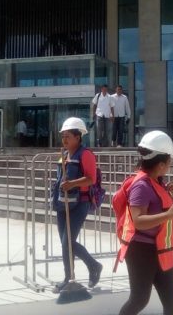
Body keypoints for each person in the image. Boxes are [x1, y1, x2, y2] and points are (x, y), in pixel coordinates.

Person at [118, 130, 173, 315]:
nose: (170, 165)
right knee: (139, 300)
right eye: (170, 161)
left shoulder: (156, 181)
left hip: (161, 250)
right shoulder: (141, 186)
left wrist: (164, 191)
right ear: (161, 164)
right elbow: (138, 221)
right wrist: (168, 214)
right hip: (141, 252)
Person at [51, 117, 104, 293]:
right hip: (62, 202)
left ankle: (74, 275)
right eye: (63, 136)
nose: (65, 140)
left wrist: (72, 184)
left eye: (68, 136)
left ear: (78, 137)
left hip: (79, 203)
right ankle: (85, 269)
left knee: (68, 242)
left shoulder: (86, 154)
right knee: (66, 243)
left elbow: (91, 178)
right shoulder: (64, 155)